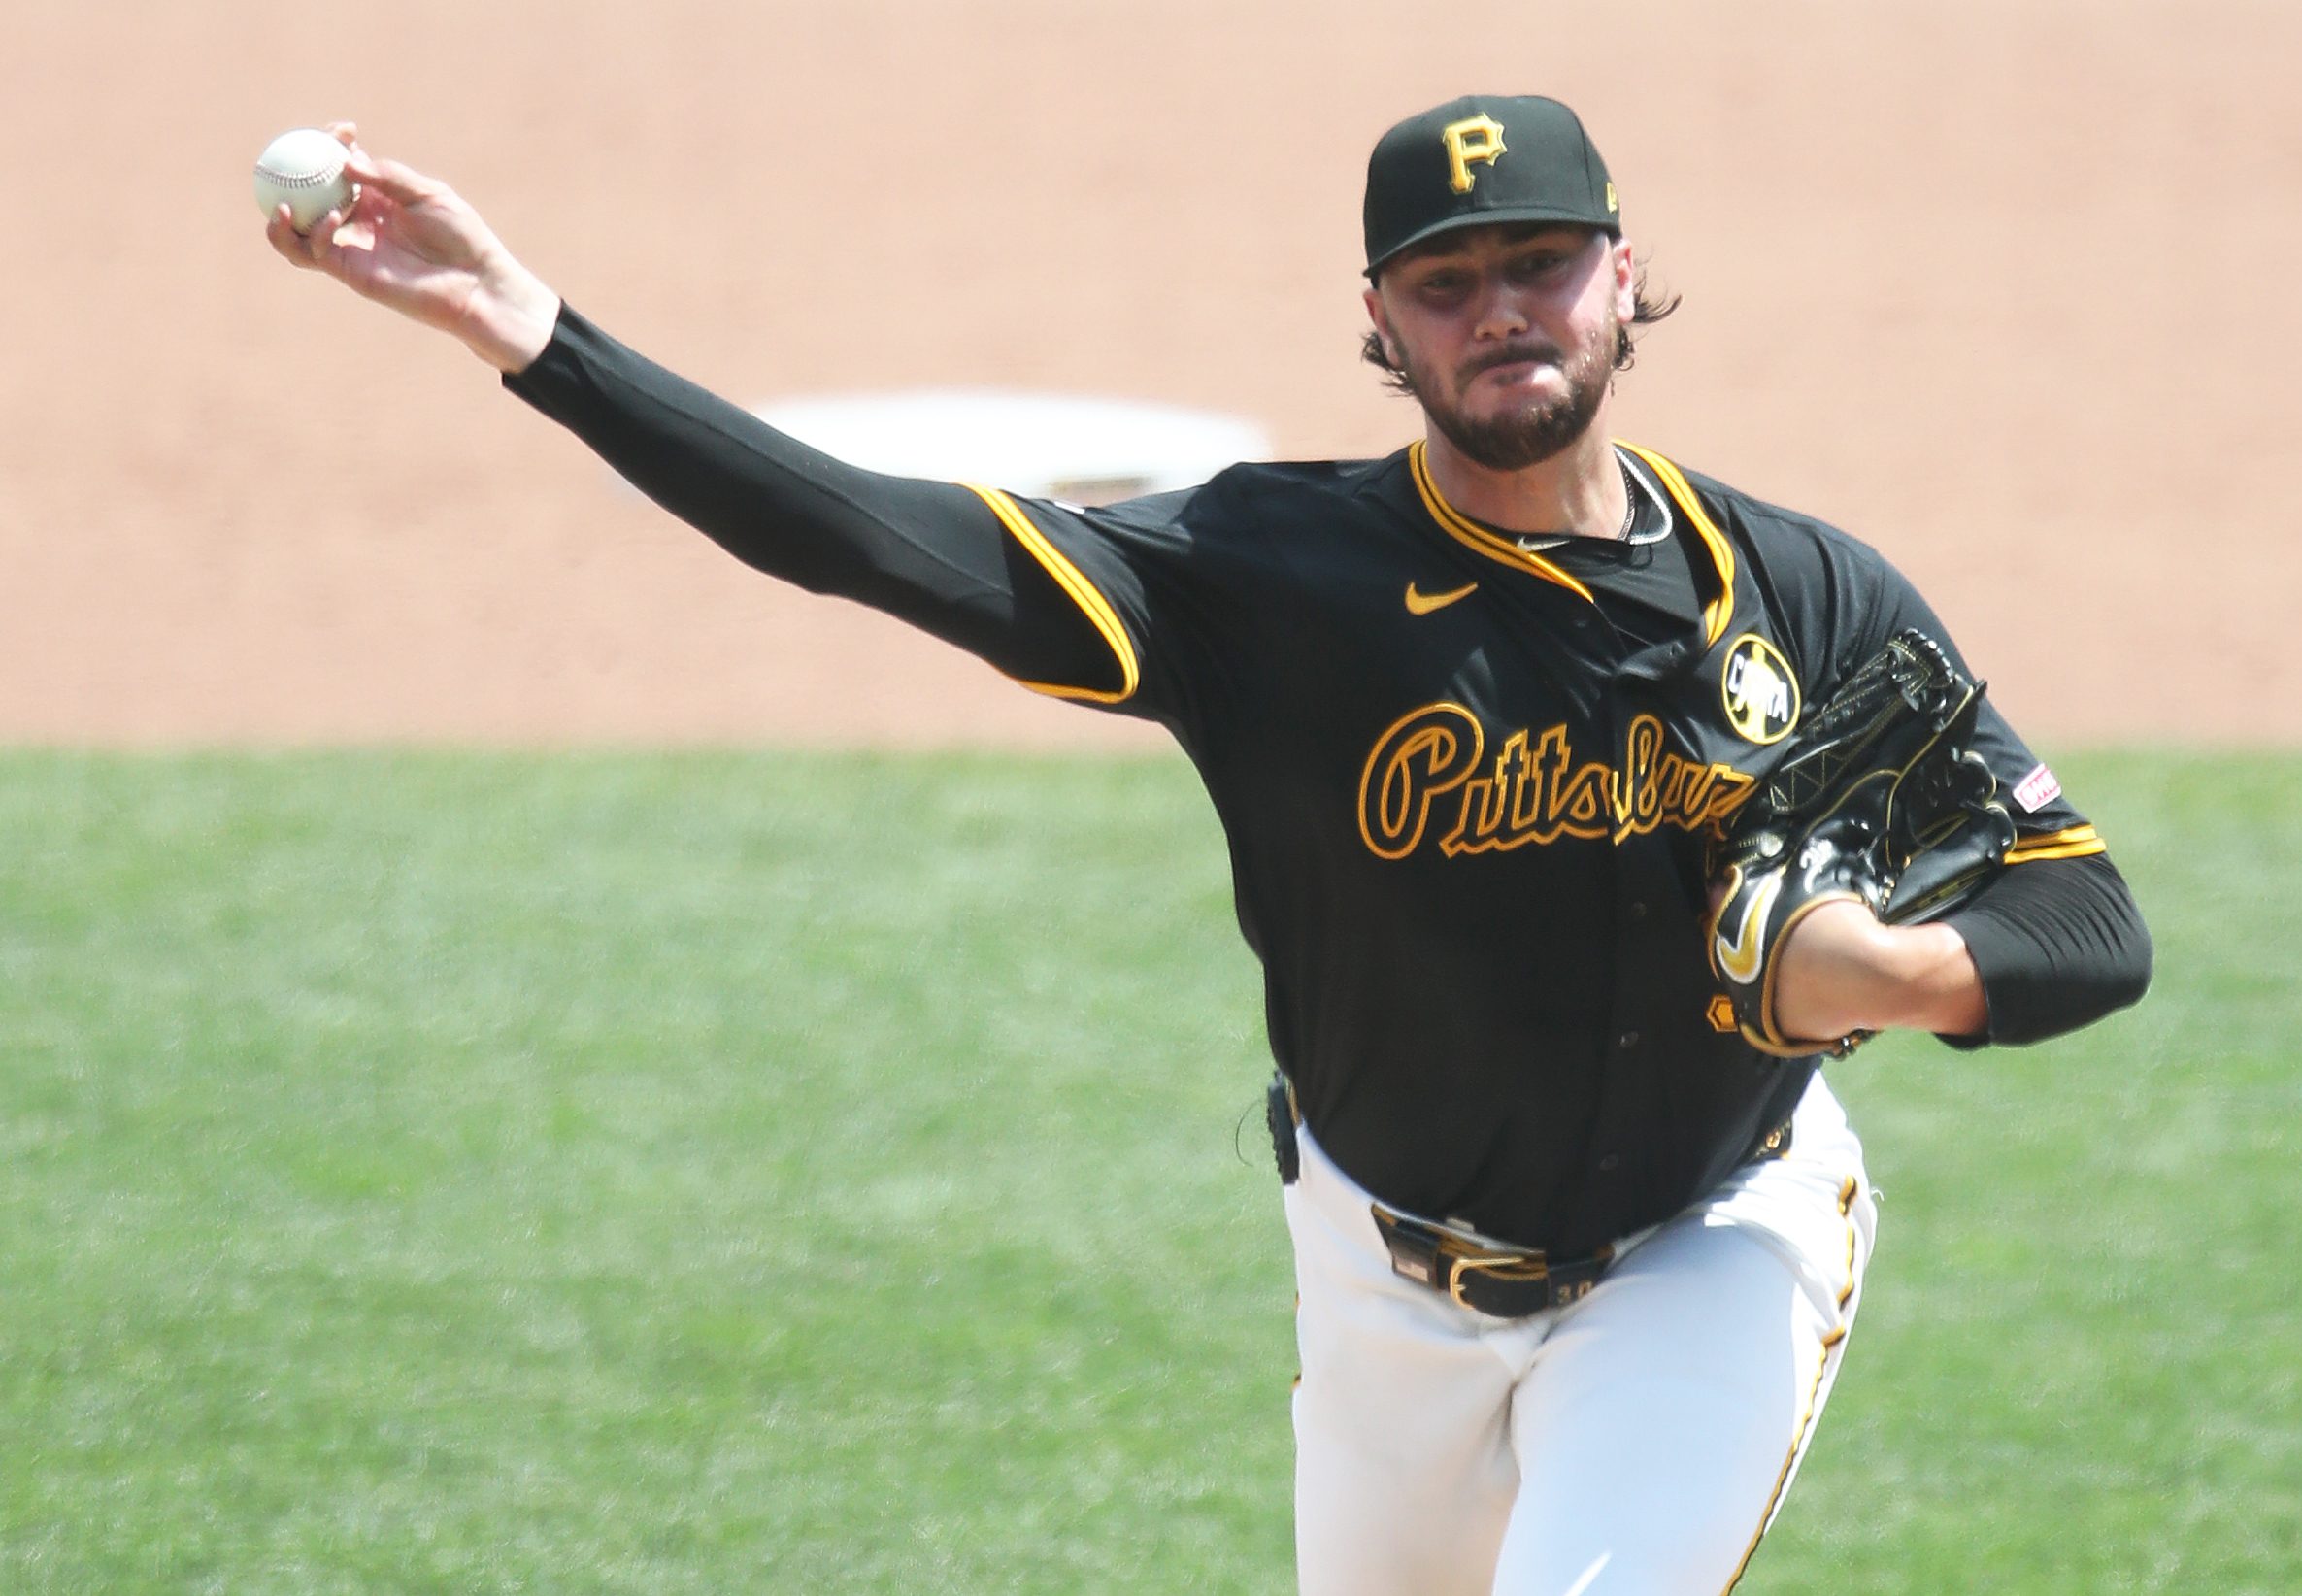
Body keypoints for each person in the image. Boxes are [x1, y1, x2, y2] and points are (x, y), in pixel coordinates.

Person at [265, 93, 2152, 1596]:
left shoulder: (1802, 596)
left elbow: (2088, 911)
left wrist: (1902, 976)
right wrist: (539, 338)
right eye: (1444, 276)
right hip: (1380, 1281)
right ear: (1375, 319)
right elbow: (869, 536)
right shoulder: (1270, 578)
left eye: (1540, 260)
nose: (1500, 304)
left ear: (1621, 272)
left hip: (1712, 1244)